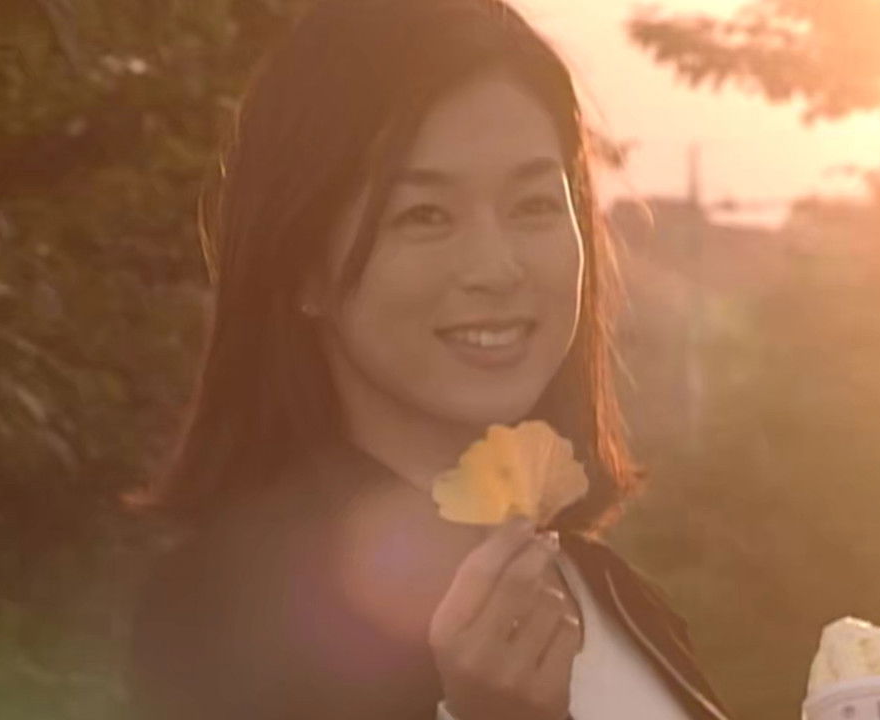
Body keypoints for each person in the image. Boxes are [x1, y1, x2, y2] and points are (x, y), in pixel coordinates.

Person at [125, 1, 734, 719]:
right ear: (301, 267)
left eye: (534, 205)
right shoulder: (226, 612)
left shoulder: (608, 592)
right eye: (424, 215)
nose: (497, 267)